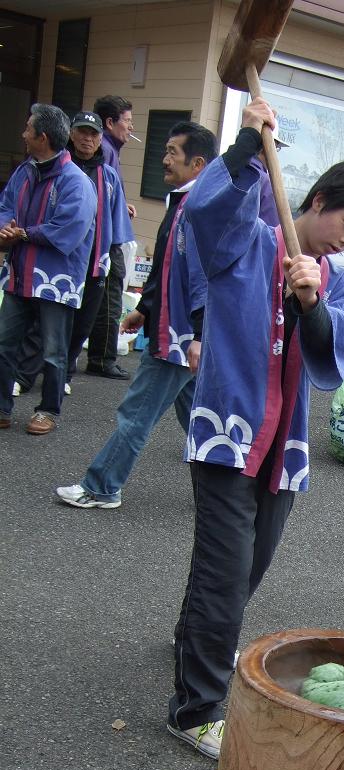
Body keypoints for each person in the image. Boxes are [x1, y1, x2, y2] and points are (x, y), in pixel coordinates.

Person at [167, 97, 344, 759]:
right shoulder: (249, 241)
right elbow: (203, 219)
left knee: (245, 572)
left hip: (281, 453)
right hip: (226, 437)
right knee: (223, 573)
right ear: (318, 201)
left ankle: (196, 643)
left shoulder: (338, 284)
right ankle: (196, 708)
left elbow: (334, 352)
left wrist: (311, 300)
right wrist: (243, 147)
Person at [54, 122, 219, 510]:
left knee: (137, 414)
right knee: (201, 418)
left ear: (197, 163)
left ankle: (101, 487)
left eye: (172, 153)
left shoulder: (198, 209)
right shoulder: (185, 202)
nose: (164, 159)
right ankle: (232, 493)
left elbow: (202, 277)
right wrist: (145, 309)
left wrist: (197, 332)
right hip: (177, 331)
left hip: (178, 337)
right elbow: (168, 268)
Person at [12, 111, 134, 394]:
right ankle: (24, 376)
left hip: (94, 260)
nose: (87, 139)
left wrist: (112, 259)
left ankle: (64, 375)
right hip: (57, 258)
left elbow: (117, 222)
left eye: (93, 134)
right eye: (82, 132)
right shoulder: (56, 168)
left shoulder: (109, 175)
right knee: (42, 322)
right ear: (70, 134)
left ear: (101, 139)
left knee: (82, 322)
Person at [0, 104, 97, 435]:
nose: (23, 133)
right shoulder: (24, 171)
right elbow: (5, 206)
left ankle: (48, 411)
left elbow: (69, 230)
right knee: (3, 342)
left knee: (54, 352)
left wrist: (22, 233)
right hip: (19, 274)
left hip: (57, 280)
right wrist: (4, 229)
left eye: (28, 129)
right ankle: (1, 406)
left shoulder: (77, 182)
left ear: (42, 137)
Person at [85, 95, 137, 380]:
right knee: (109, 293)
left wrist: (122, 204)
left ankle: (100, 356)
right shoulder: (104, 149)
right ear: (110, 122)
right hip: (107, 238)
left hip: (108, 234)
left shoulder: (108, 150)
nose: (130, 127)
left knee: (104, 293)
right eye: (127, 121)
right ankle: (102, 358)